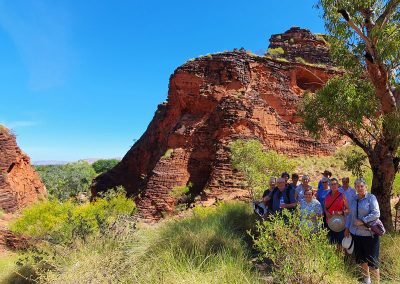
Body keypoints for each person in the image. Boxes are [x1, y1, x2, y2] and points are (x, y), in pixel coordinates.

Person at [345, 179, 381, 284]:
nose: (360, 188)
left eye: (361, 186)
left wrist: (363, 221)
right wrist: (347, 228)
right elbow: (350, 215)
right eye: (357, 186)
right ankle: (367, 281)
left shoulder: (371, 198)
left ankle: (376, 282)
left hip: (369, 235)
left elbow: (376, 213)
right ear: (355, 187)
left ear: (365, 186)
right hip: (356, 234)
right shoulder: (353, 199)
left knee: (373, 262)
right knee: (361, 260)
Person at [324, 178, 348, 246]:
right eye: (332, 184)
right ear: (329, 186)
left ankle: (341, 256)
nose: (333, 186)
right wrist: (326, 213)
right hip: (330, 223)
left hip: (340, 223)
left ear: (338, 185)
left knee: (340, 244)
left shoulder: (342, 196)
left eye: (335, 184)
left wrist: (341, 212)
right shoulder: (327, 196)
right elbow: (325, 207)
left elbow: (348, 210)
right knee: (331, 243)